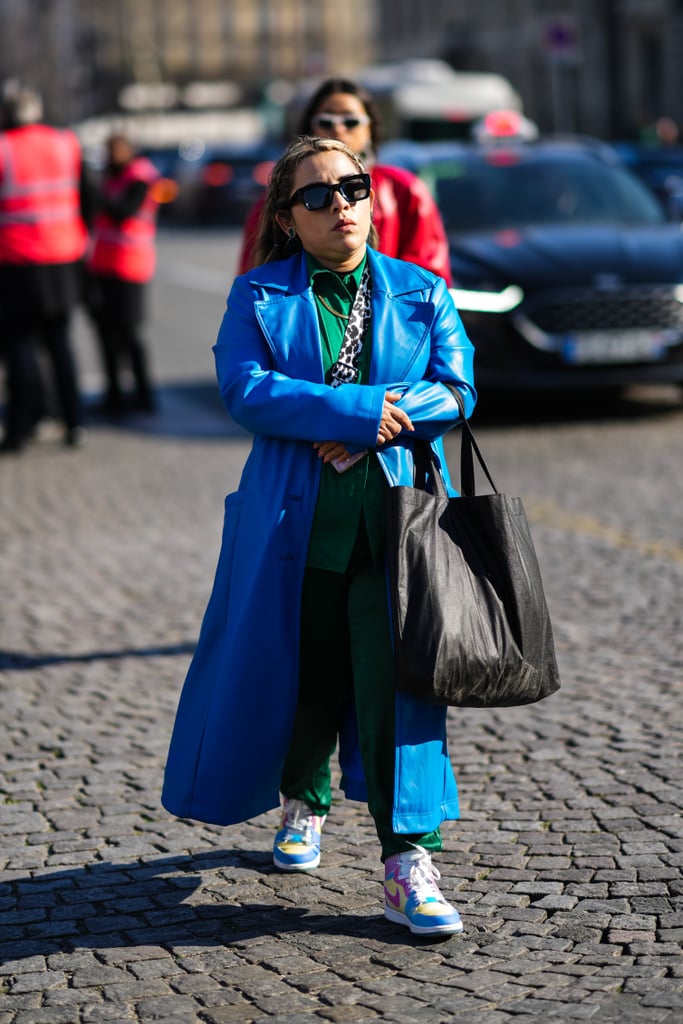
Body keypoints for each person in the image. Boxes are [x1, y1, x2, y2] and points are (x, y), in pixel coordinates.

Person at [162, 135, 477, 937]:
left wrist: (375, 429)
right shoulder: (257, 295)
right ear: (286, 215)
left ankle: (409, 861)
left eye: (352, 188)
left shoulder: (422, 289)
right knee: (301, 678)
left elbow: (456, 387)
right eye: (317, 195)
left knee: (396, 689)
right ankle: (304, 801)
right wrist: (354, 412)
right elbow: (247, 389)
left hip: (394, 526)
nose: (340, 204)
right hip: (288, 527)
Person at [237, 77, 452, 284]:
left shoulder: (405, 189)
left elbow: (428, 278)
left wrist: (375, 303)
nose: (338, 129)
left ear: (370, 129)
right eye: (326, 121)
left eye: (351, 121)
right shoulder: (278, 199)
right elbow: (255, 277)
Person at [0, 80, 89, 453]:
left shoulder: (4, 148)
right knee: (61, 343)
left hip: (17, 260)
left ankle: (20, 429)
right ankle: (73, 422)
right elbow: (86, 196)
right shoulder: (66, 142)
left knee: (19, 346)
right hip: (64, 257)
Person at [87, 133, 160, 415]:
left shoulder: (140, 175)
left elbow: (124, 212)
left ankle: (143, 395)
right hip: (103, 264)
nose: (110, 155)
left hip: (130, 266)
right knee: (105, 334)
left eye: (115, 149)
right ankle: (114, 395)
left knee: (129, 334)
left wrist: (98, 196)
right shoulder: (110, 175)